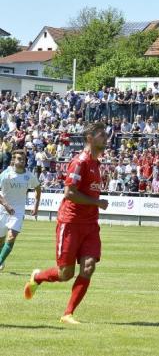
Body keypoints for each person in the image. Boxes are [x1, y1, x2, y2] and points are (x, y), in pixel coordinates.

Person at [23, 123, 110, 324]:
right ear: (89, 138)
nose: (106, 138)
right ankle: (37, 278)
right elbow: (69, 193)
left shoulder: (97, 164)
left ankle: (68, 313)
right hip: (70, 223)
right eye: (101, 135)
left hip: (90, 225)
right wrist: (97, 202)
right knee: (65, 274)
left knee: (88, 267)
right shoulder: (79, 162)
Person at [0, 150, 42, 271]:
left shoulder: (29, 176)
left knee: (11, 236)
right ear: (13, 160)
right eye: (19, 159)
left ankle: (0, 261)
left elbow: (38, 189)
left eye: (23, 159)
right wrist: (6, 205)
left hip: (18, 211)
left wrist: (36, 206)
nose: (22, 161)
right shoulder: (5, 174)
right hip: (3, 210)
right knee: (1, 239)